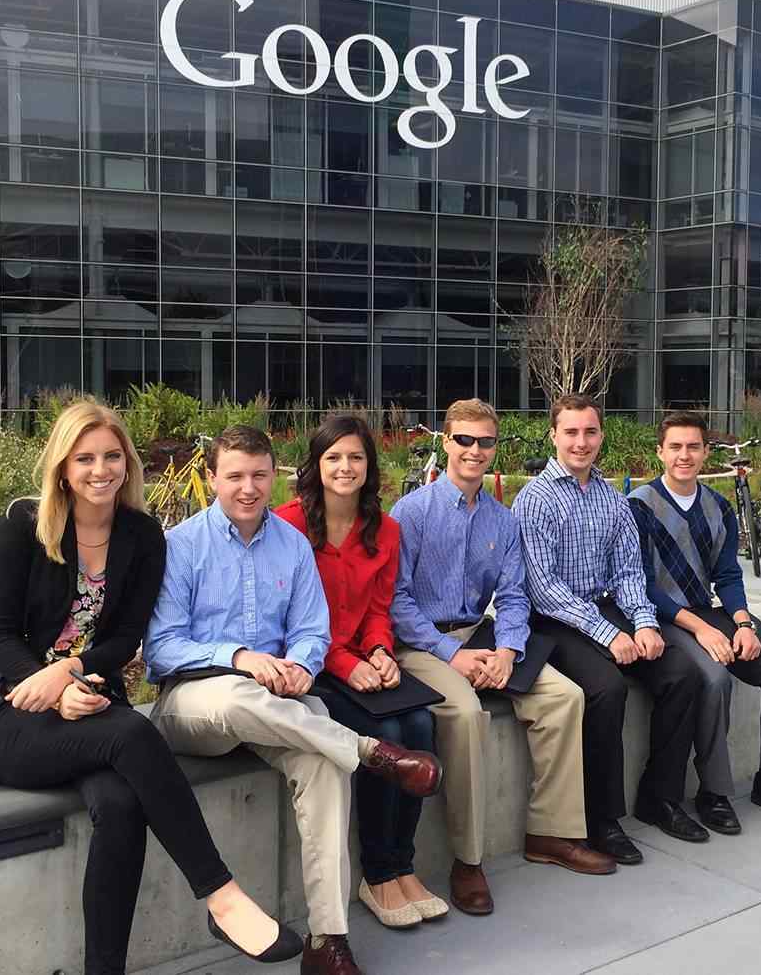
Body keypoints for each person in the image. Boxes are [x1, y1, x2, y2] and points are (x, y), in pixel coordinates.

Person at [0, 401, 300, 975]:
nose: (101, 470)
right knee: (130, 735)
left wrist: (78, 677)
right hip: (15, 713)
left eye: (112, 456)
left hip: (93, 705)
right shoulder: (26, 527)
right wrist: (52, 680)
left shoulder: (143, 535)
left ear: (127, 461)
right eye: (85, 458)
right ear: (62, 466)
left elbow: (126, 638)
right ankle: (221, 896)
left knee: (122, 806)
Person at [144, 424, 441, 975]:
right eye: (234, 476)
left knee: (326, 765)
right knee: (237, 694)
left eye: (259, 475)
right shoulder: (183, 546)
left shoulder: (291, 543)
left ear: (273, 474)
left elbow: (312, 629)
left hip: (278, 707)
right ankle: (371, 750)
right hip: (196, 703)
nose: (249, 488)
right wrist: (240, 657)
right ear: (211, 478)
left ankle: (327, 942)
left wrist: (302, 666)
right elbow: (161, 649)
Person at [391, 398, 614, 916]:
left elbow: (514, 595)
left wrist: (509, 649)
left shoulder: (502, 518)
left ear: (496, 447)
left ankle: (551, 834)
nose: (474, 450)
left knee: (563, 696)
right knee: (467, 716)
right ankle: (467, 861)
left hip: (483, 635)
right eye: (464, 439)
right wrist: (451, 654)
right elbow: (397, 601)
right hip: (423, 642)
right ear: (445, 442)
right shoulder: (412, 513)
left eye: (485, 441)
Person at [510, 393, 704, 865]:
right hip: (553, 622)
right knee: (606, 688)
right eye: (571, 432)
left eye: (590, 432)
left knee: (682, 674)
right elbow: (543, 589)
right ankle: (601, 819)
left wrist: (641, 623)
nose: (581, 442)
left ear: (601, 436)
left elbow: (628, 573)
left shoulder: (611, 498)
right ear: (553, 435)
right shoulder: (534, 500)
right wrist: (608, 634)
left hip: (608, 610)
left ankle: (659, 798)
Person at [275, 414, 448, 929]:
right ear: (316, 464)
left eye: (355, 457)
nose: (345, 467)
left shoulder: (385, 528)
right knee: (387, 733)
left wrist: (379, 651)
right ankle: (376, 874)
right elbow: (290, 619)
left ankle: (402, 864)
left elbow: (380, 606)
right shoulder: (288, 525)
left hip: (364, 661)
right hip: (313, 663)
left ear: (369, 465)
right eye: (333, 457)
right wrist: (347, 664)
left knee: (421, 726)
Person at [627, 412, 761, 833]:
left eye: (693, 446)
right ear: (660, 451)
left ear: (705, 452)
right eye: (675, 446)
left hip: (710, 612)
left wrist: (744, 623)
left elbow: (728, 575)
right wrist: (701, 628)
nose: (684, 455)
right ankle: (713, 792)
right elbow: (640, 584)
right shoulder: (638, 506)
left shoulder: (718, 507)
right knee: (715, 679)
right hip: (664, 617)